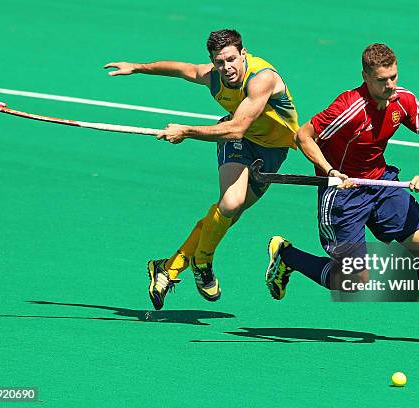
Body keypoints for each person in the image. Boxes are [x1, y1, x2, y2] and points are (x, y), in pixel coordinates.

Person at [265, 43, 419, 346]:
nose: (390, 85)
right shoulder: (348, 108)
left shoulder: (403, 101)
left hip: (381, 183)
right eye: (382, 80)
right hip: (343, 194)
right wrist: (330, 171)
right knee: (354, 281)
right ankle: (287, 256)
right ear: (365, 77)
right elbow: (303, 135)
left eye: (393, 77)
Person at [105, 29, 298, 309]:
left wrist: (186, 130)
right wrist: (137, 67)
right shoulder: (214, 76)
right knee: (231, 203)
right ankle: (203, 261)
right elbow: (182, 69)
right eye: (219, 62)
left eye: (232, 59)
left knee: (228, 216)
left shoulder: (262, 78)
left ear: (243, 53)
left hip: (270, 148)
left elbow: (238, 127)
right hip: (238, 140)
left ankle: (167, 268)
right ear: (212, 60)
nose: (227, 68)